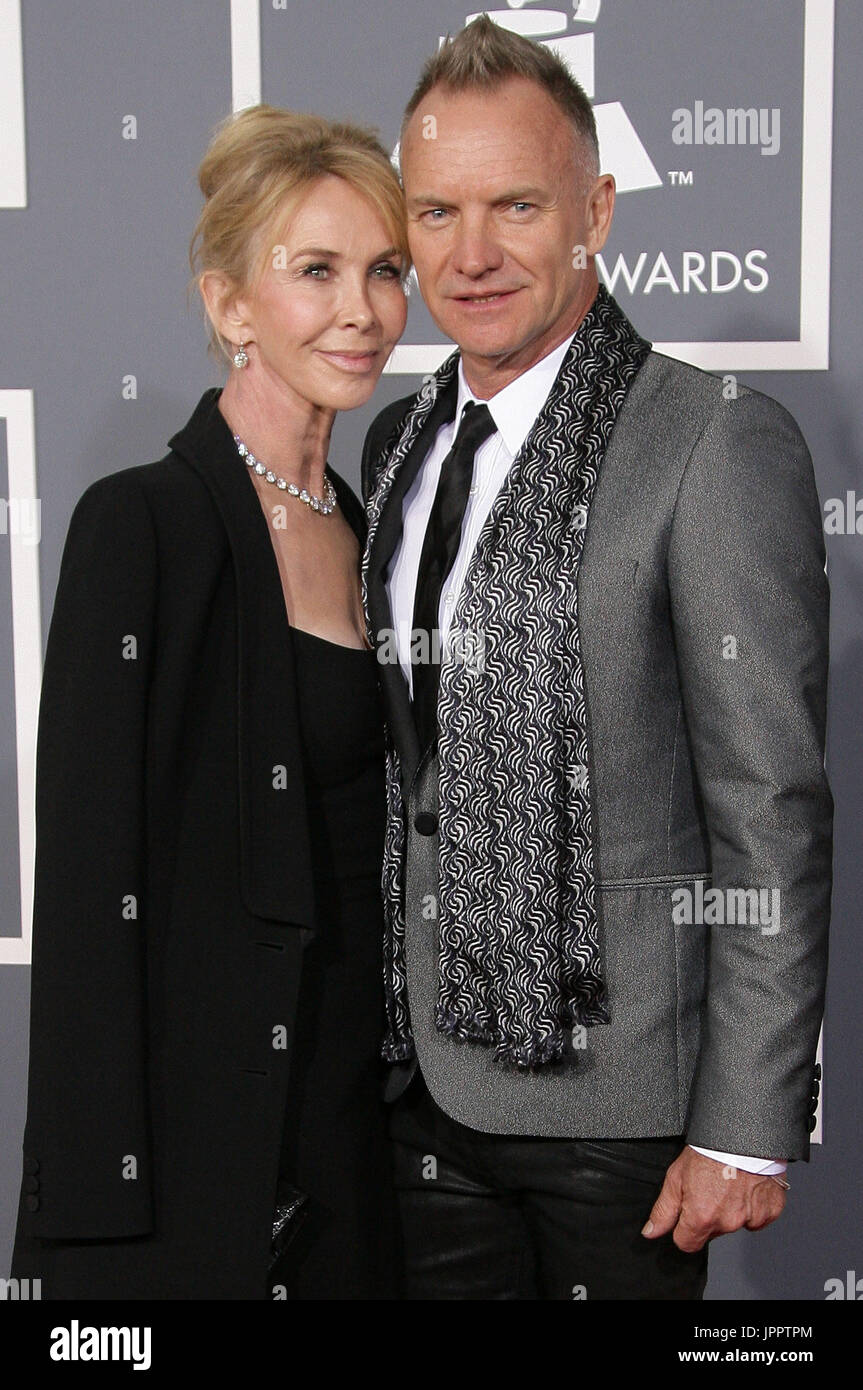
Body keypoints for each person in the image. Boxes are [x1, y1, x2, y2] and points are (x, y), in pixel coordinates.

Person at [360, 16, 832, 1300]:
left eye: (515, 204)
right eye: (437, 210)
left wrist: (742, 1122)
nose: (470, 254)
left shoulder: (710, 440)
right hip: (415, 1087)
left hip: (615, 1108)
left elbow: (768, 806)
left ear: (596, 211)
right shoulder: (395, 441)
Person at [12, 103, 409, 1299]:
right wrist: (97, 1199)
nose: (361, 308)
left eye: (384, 270)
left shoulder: (380, 525)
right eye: (316, 271)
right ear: (229, 304)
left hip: (360, 1123)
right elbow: (86, 882)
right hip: (200, 1143)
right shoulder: (143, 527)